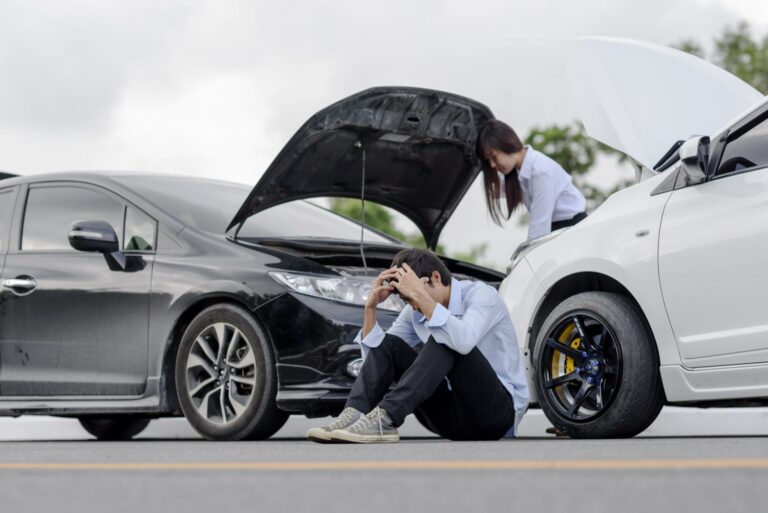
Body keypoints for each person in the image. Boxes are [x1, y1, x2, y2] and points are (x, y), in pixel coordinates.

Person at [306, 248, 529, 443]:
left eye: (411, 296)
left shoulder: (482, 296)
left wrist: (421, 298)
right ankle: (353, 414)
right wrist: (370, 309)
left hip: (495, 416)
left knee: (446, 337)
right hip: (450, 420)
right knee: (390, 343)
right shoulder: (415, 310)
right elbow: (379, 360)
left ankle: (386, 418)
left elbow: (464, 341)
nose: (412, 306)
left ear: (434, 277)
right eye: (406, 299)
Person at [476, 119, 587, 241]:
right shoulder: (517, 172)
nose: (492, 165)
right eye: (488, 161)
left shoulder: (541, 172)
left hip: (572, 230)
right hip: (557, 230)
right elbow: (494, 191)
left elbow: (539, 228)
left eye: (494, 157)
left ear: (508, 142)